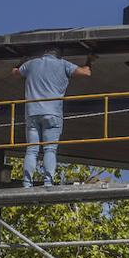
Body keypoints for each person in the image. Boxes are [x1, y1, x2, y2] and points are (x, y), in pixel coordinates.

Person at [14, 48, 94, 187]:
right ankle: (48, 182)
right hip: (52, 113)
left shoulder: (31, 64)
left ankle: (27, 183)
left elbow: (15, 73)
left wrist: (21, 60)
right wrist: (89, 60)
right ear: (59, 54)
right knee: (49, 149)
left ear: (44, 52)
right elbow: (86, 72)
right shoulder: (63, 64)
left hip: (32, 112)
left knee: (31, 150)